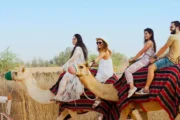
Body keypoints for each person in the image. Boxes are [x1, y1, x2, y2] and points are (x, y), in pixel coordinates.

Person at [136, 21, 180, 95]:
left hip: (169, 61)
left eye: (172, 27)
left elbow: (164, 48)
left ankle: (146, 88)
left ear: (177, 28)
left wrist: (155, 57)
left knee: (151, 68)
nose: (170, 28)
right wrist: (159, 58)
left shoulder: (172, 37)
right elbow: (170, 52)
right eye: (170, 27)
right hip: (175, 60)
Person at [53, 34, 88, 102]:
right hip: (77, 68)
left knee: (64, 79)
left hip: (76, 69)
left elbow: (73, 58)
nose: (73, 40)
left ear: (78, 39)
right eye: (72, 39)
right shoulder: (79, 48)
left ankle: (58, 95)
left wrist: (64, 66)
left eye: (74, 39)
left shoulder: (78, 48)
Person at [125, 28, 156, 98]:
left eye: (146, 33)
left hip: (145, 61)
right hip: (145, 59)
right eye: (144, 34)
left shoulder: (149, 42)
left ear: (150, 34)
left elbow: (141, 52)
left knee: (128, 71)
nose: (145, 35)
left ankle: (132, 87)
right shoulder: (150, 42)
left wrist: (134, 59)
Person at [90, 37, 114, 108]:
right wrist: (91, 65)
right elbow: (101, 63)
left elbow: (96, 60)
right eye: (97, 43)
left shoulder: (104, 52)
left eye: (100, 42)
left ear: (104, 44)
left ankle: (98, 99)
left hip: (105, 72)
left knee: (94, 82)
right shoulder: (104, 52)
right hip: (104, 70)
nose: (98, 44)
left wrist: (90, 64)